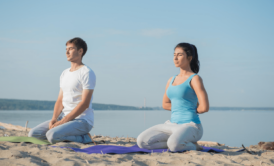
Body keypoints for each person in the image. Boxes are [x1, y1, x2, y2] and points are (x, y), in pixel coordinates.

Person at [137, 43, 209, 151]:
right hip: (171, 125)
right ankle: (177, 142)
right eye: (174, 54)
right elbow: (165, 104)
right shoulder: (171, 80)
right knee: (142, 141)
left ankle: (195, 146)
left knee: (174, 145)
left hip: (190, 125)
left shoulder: (195, 79)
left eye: (179, 55)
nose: (175, 58)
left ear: (189, 57)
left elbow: (204, 107)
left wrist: (188, 108)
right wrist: (178, 107)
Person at [28, 37, 96, 144]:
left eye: (71, 49)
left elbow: (85, 103)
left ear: (80, 51)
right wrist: (54, 118)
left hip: (82, 120)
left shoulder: (87, 72)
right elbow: (60, 99)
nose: (67, 52)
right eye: (66, 49)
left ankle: (85, 138)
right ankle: (64, 132)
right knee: (33, 134)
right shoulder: (65, 73)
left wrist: (64, 121)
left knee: (52, 136)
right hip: (63, 117)